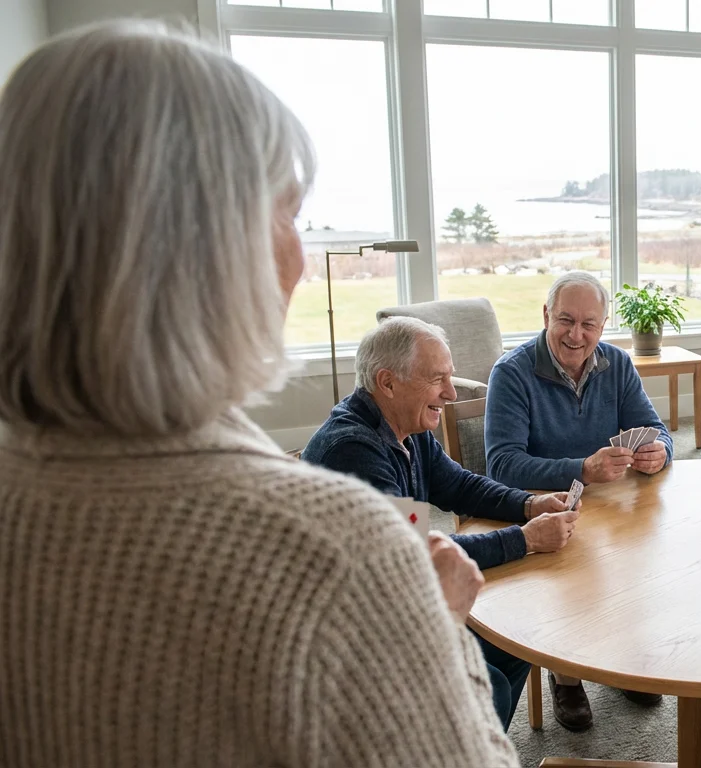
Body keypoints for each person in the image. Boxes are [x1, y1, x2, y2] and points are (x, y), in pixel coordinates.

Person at [0, 21, 518, 766]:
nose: (302, 258)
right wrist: (431, 638)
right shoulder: (339, 555)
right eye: (288, 215)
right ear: (207, 251)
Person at [303, 316, 580, 731]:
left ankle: (475, 745)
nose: (450, 393)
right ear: (388, 382)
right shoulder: (354, 453)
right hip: (354, 634)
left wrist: (528, 504)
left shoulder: (404, 426)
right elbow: (417, 555)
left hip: (398, 601)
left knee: (520, 640)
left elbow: (458, 486)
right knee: (490, 687)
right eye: (438, 380)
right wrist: (524, 540)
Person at [485, 270, 672, 731]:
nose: (576, 334)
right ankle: (565, 675)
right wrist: (581, 469)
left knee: (645, 554)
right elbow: (502, 465)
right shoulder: (511, 373)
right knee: (575, 574)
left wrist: (659, 452)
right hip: (548, 512)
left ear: (603, 326)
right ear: (546, 315)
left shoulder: (618, 364)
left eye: (589, 324)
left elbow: (659, 429)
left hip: (613, 509)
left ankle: (621, 660)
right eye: (566, 320)